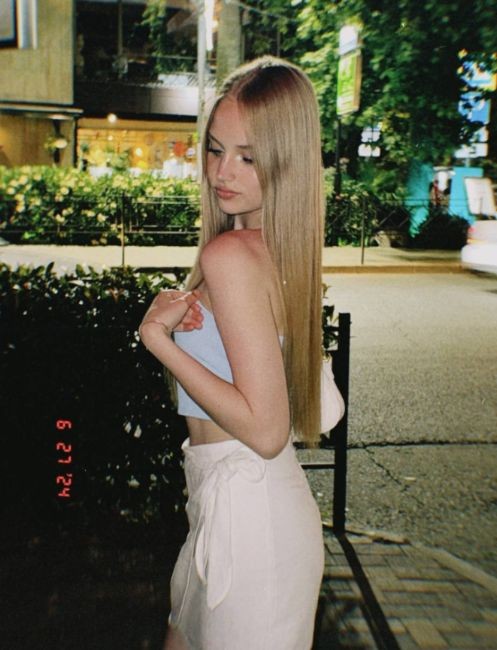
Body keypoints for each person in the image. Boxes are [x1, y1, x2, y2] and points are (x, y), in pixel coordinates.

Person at [139, 56, 325, 650]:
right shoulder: (272, 250)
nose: (222, 172)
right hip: (230, 515)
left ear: (286, 161)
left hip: (250, 527)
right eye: (216, 150)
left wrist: (157, 340)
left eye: (248, 157)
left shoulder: (232, 255)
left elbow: (266, 431)